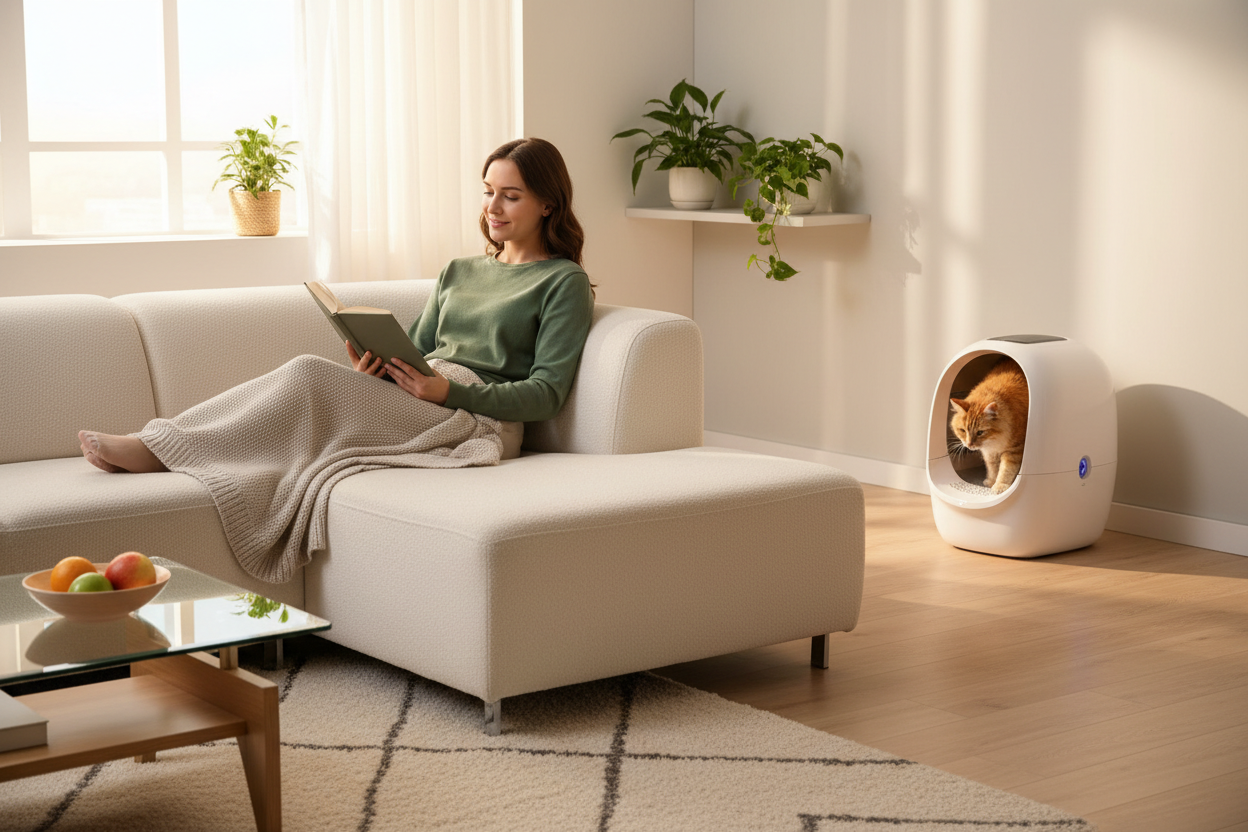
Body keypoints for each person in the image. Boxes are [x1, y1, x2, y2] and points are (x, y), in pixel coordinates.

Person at [76, 137, 594, 582]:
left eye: (510, 196)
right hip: (421, 393)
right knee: (316, 382)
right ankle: (165, 444)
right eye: (487, 193)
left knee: (305, 372)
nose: (493, 208)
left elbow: (547, 394)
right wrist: (376, 371)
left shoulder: (561, 282)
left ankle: (160, 446)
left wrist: (448, 391)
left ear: (547, 204)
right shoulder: (459, 270)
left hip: (475, 417)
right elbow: (417, 348)